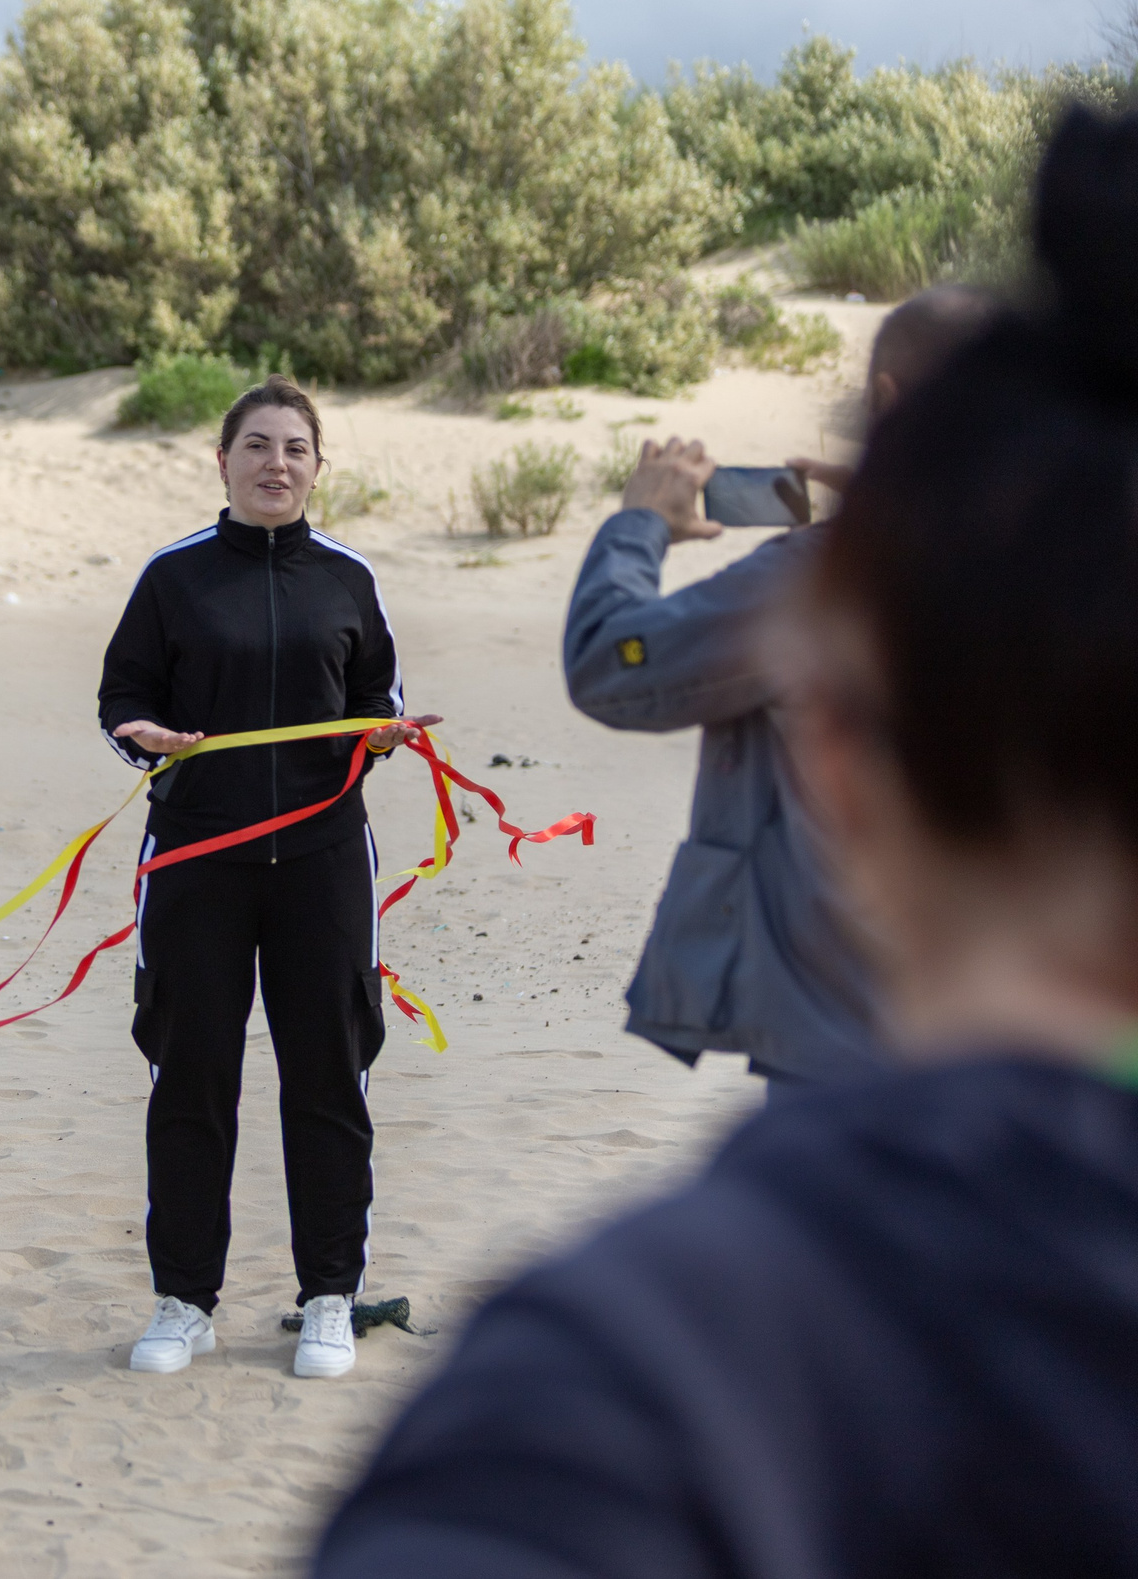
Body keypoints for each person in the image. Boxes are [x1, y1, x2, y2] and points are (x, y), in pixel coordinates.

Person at [312, 105, 1138, 1576]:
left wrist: (639, 518)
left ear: (847, 761)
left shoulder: (639, 1368)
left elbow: (614, 661)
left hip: (843, 1053)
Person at [562, 284, 996, 1089]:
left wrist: (640, 523)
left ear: (887, 401)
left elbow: (610, 663)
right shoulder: (1082, 565)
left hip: (847, 1035)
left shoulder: (823, 578)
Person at [97, 376, 436, 1381]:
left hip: (323, 864)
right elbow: (122, 696)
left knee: (329, 1075)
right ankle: (183, 1302)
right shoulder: (174, 578)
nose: (274, 464)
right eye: (256, 445)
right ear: (223, 462)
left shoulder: (347, 577)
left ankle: (328, 1294)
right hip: (197, 860)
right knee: (190, 1075)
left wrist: (380, 738)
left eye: (294, 448)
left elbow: (378, 695)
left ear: (316, 467)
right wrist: (142, 737)